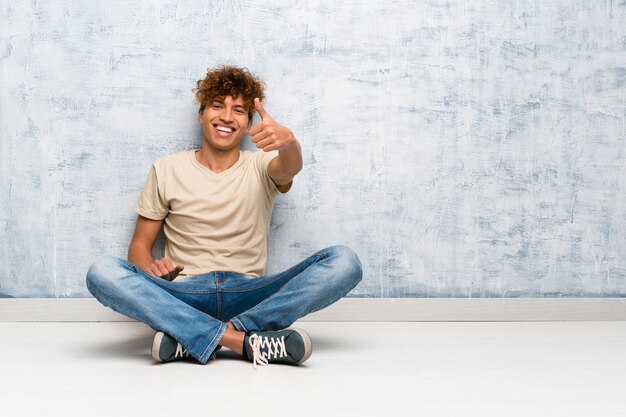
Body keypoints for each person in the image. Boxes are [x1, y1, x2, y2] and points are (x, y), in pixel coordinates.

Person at [85, 65, 363, 368]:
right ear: (201, 114)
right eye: (217, 106)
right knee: (102, 271)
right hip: (183, 293)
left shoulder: (262, 165)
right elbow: (139, 244)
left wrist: (289, 143)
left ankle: (192, 337)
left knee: (345, 261)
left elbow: (289, 167)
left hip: (250, 293)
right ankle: (241, 341)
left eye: (239, 110)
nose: (227, 117)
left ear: (247, 124)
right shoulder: (166, 169)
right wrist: (151, 271)